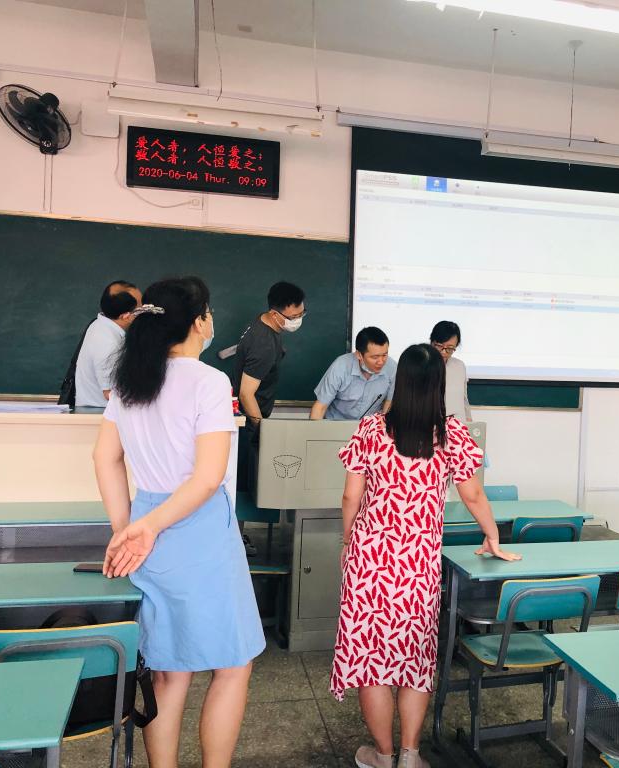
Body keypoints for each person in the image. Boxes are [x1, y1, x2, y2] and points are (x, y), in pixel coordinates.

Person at [93, 276, 265, 768]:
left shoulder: (130, 381)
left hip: (149, 526)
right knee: (232, 664)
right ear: (198, 322)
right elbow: (207, 478)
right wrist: (144, 529)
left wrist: (128, 527)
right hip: (199, 531)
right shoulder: (208, 381)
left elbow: (104, 457)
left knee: (168, 673)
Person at [330, 343, 519, 768]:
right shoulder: (451, 435)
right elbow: (473, 494)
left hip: (370, 560)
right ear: (438, 385)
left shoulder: (371, 430)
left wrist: (348, 541)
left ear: (400, 382)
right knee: (414, 659)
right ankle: (410, 755)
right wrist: (492, 535)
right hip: (417, 564)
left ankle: (382, 755)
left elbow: (350, 496)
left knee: (372, 662)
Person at [233, 281, 306, 428]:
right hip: (250, 422)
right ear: (274, 314)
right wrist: (263, 432)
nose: (298, 320)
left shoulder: (264, 319)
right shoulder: (264, 344)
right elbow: (246, 394)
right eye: (293, 317)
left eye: (302, 314)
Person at [74, 280, 141, 407]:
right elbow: (110, 393)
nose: (144, 309)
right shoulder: (107, 342)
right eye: (141, 308)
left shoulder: (100, 325)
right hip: (100, 413)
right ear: (126, 316)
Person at [310, 327, 397, 420]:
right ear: (359, 355)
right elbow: (320, 407)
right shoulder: (341, 366)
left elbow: (389, 403)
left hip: (369, 425)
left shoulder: (392, 368)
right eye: (375, 357)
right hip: (336, 423)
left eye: (384, 355)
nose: (381, 362)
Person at [430, 320, 471, 422]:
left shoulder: (459, 366)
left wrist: (469, 422)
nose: (444, 352)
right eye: (440, 346)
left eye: (450, 348)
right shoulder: (420, 365)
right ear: (432, 342)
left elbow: (464, 399)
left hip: (457, 425)